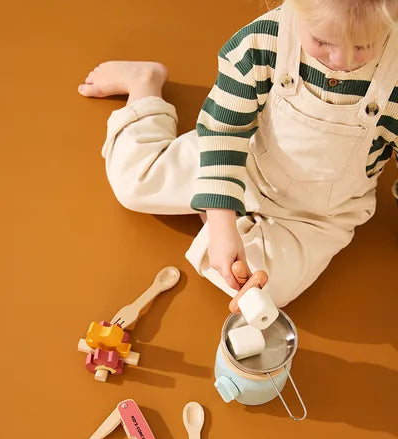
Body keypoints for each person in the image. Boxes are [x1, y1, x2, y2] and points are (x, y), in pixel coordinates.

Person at [78, 0, 398, 308]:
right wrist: (221, 222)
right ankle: (143, 86)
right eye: (321, 41)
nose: (340, 59)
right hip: (244, 162)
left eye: (363, 46)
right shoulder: (261, 42)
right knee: (133, 182)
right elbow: (224, 131)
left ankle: (220, 214)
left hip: (318, 215)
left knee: (267, 289)